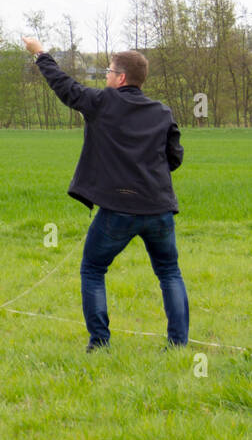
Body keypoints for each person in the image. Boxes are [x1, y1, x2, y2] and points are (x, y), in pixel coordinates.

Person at [21, 37, 188, 352]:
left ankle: (99, 343)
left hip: (118, 211)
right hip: (159, 210)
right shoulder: (162, 112)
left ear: (121, 78)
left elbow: (64, 86)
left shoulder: (101, 103)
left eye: (109, 72)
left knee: (93, 269)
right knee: (169, 272)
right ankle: (178, 345)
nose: (106, 76)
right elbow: (174, 158)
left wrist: (40, 53)